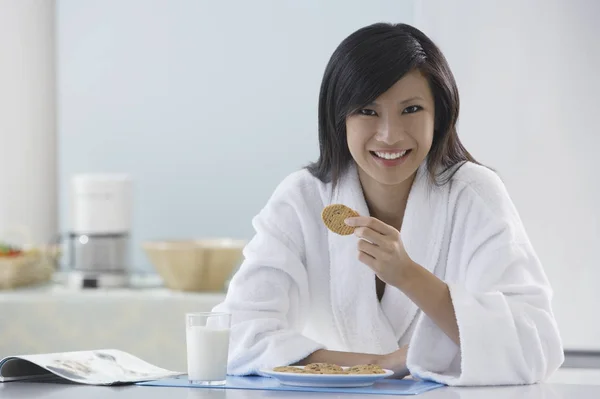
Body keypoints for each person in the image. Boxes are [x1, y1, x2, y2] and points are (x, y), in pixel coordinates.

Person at [212, 22, 564, 386]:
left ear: (438, 115)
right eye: (368, 111)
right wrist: (378, 364)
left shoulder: (474, 194)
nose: (390, 135)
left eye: (410, 109)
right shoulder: (301, 198)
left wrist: (408, 275)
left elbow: (534, 344)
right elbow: (234, 335)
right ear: (339, 118)